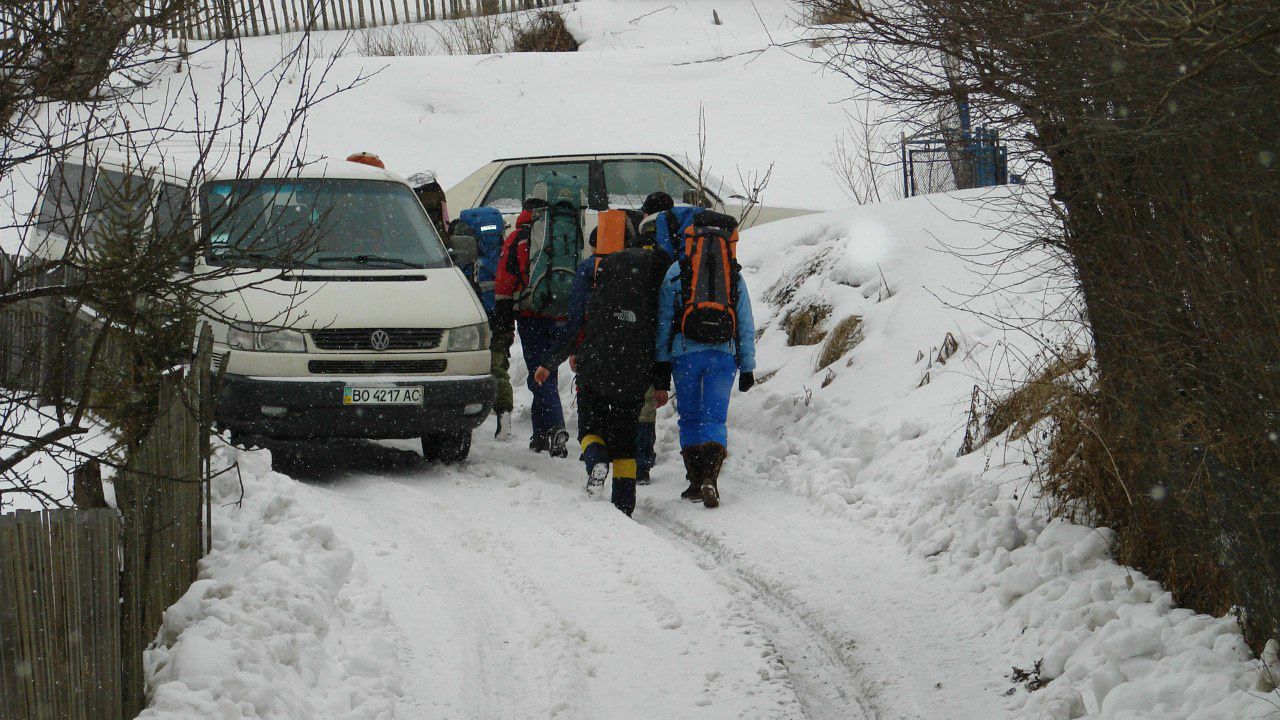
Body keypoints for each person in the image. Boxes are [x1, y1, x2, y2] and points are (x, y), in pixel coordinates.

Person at [533, 214, 670, 516]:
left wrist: (548, 363)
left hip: (595, 367)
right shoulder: (651, 285)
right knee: (624, 443)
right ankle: (623, 506)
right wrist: (661, 382)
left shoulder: (595, 273)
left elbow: (573, 327)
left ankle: (596, 463)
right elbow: (660, 337)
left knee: (589, 428)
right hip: (633, 373)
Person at [654, 212, 757, 508]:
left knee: (690, 418)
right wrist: (748, 366)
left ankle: (695, 480)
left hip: (685, 354)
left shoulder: (677, 270)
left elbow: (664, 321)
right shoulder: (733, 275)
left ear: (691, 236)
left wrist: (661, 363)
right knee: (714, 418)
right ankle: (711, 476)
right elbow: (746, 323)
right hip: (723, 355)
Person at [493, 198, 571, 457]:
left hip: (532, 315)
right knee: (548, 368)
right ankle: (539, 436)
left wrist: (504, 324)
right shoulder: (562, 234)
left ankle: (557, 427)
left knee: (539, 371)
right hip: (560, 312)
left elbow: (504, 283)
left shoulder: (518, 237)